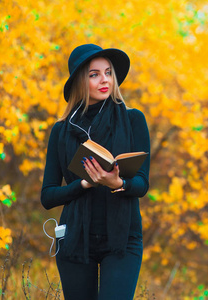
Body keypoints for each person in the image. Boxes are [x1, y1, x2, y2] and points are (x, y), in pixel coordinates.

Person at [41, 44, 150, 299]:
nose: (105, 80)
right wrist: (83, 184)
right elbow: (48, 196)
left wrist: (117, 182)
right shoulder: (61, 130)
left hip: (123, 240)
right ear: (81, 81)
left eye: (108, 72)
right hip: (75, 239)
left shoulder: (134, 120)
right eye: (94, 74)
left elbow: (142, 184)